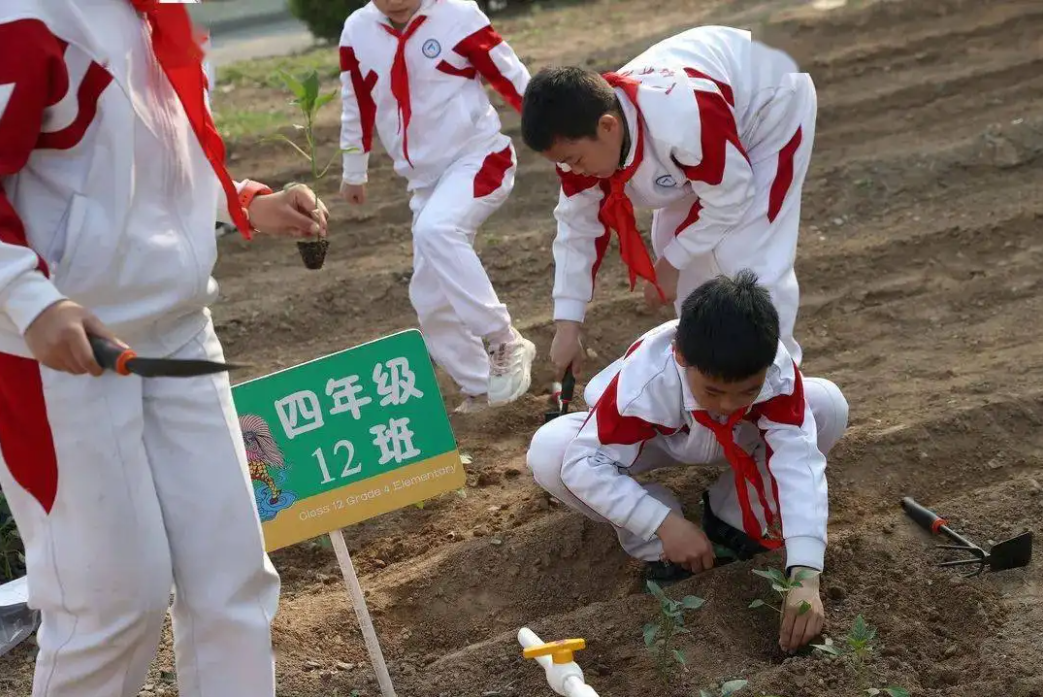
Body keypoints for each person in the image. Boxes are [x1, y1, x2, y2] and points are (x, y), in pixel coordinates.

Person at [0, 2, 330, 696]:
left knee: (231, 575)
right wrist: (28, 299)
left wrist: (240, 200)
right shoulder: (27, 22)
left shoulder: (153, 12)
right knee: (111, 605)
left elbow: (149, 151)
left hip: (176, 322)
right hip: (60, 353)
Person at [525, 270, 849, 653]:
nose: (728, 403)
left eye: (747, 390)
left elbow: (798, 461)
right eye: (713, 390)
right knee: (551, 452)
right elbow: (583, 464)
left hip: (738, 436)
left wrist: (806, 575)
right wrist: (661, 524)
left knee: (827, 403)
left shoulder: (774, 371)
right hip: (656, 438)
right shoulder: (646, 382)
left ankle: (733, 518)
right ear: (680, 356)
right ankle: (664, 548)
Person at [519, 25, 816, 382]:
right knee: (673, 245)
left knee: (749, 257)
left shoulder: (681, 118)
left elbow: (732, 196)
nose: (572, 170)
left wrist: (672, 262)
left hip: (769, 101)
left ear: (608, 127)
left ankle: (775, 380)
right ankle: (707, 376)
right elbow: (577, 231)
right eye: (563, 162)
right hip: (709, 131)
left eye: (576, 159)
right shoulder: (582, 149)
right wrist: (567, 326)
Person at [338, 0, 536, 414]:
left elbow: (511, 75)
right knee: (429, 299)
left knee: (438, 231)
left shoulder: (458, 14)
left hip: (478, 158)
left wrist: (557, 128)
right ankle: (481, 387)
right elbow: (355, 101)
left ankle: (505, 339)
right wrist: (354, 169)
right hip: (422, 182)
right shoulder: (356, 31)